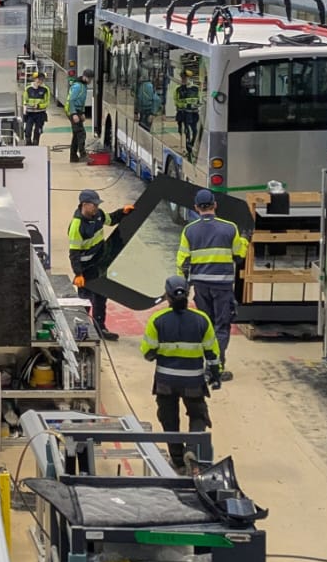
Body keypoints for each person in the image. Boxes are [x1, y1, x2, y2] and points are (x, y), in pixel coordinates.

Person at [140, 275, 222, 458]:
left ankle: (177, 459)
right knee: (198, 415)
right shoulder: (201, 319)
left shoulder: (157, 319)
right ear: (188, 294)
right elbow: (212, 353)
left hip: (165, 382)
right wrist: (216, 374)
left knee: (169, 419)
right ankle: (192, 450)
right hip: (193, 381)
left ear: (167, 296)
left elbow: (148, 352)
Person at [176, 189, 247, 370]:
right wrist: (245, 241)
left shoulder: (189, 230)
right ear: (215, 205)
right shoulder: (230, 228)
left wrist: (182, 287)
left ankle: (205, 362)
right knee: (221, 326)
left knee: (206, 325)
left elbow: (183, 261)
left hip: (200, 286)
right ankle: (217, 366)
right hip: (222, 286)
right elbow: (239, 256)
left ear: (196, 208)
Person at [67, 187, 133, 339]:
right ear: (84, 204)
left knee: (101, 295)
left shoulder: (99, 215)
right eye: (94, 205)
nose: (97, 207)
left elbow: (111, 219)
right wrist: (78, 274)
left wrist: (123, 212)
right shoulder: (77, 225)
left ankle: (99, 328)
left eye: (97, 204)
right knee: (85, 299)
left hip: (100, 262)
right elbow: (74, 253)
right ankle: (79, 327)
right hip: (86, 267)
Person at [173, 73, 203, 155]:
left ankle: (191, 144)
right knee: (187, 130)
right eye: (183, 79)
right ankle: (188, 147)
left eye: (186, 78)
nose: (184, 80)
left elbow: (200, 100)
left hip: (194, 113)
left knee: (195, 130)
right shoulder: (178, 89)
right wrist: (184, 105)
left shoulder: (196, 88)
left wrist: (197, 104)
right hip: (184, 113)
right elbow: (176, 101)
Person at [66, 70, 92, 162]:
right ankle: (83, 154)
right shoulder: (77, 86)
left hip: (77, 111)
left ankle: (73, 156)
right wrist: (74, 114)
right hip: (72, 111)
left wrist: (82, 113)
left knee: (76, 134)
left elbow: (81, 101)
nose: (90, 81)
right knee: (81, 133)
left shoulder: (83, 85)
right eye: (89, 79)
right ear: (84, 77)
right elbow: (71, 101)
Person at [22, 69, 52, 144]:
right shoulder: (28, 89)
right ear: (35, 79)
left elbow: (47, 103)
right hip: (30, 114)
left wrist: (39, 106)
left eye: (42, 79)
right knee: (27, 131)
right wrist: (25, 107)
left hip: (40, 114)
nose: (40, 81)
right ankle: (28, 144)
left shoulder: (45, 89)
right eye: (39, 79)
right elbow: (25, 100)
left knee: (37, 132)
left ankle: (36, 144)